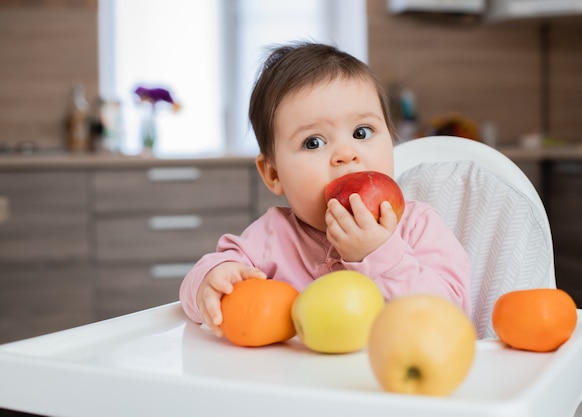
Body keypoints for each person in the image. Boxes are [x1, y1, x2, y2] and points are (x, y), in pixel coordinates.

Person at [179, 42, 470, 336]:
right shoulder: (270, 237)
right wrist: (211, 280)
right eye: (313, 142)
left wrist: (381, 253)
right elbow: (195, 290)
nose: (346, 153)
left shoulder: (417, 226)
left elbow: (451, 316)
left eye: (361, 132)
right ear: (273, 173)